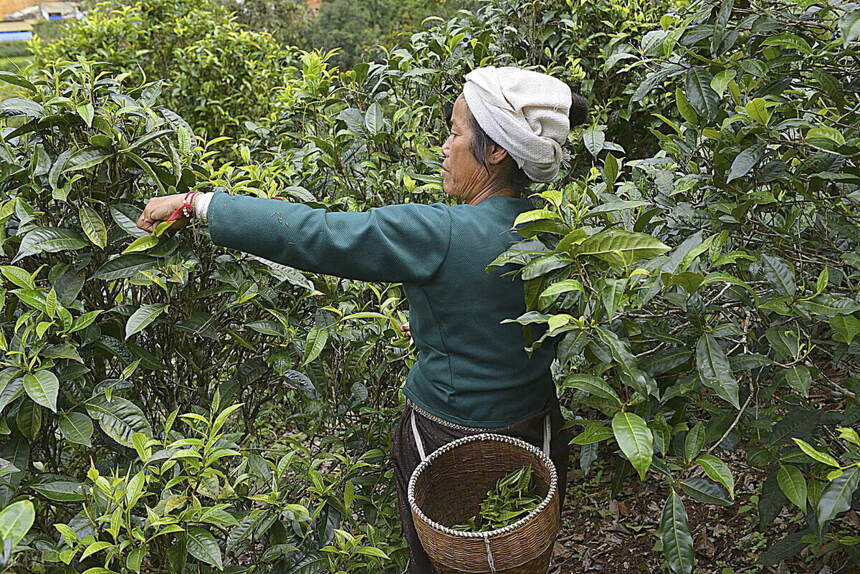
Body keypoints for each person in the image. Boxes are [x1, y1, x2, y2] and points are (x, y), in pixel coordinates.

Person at [137, 66, 588, 573]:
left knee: (438, 561)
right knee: (519, 552)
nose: (444, 146)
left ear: (498, 151)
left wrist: (200, 204)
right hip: (536, 427)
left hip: (445, 434)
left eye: (456, 133)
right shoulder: (554, 234)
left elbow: (316, 233)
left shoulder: (437, 233)